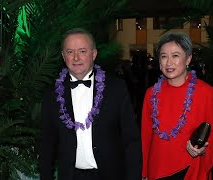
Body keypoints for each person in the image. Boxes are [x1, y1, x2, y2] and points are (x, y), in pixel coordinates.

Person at [39, 28, 142, 180]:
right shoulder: (51, 94)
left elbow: (131, 140)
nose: (76, 58)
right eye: (70, 52)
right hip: (70, 176)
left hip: (110, 175)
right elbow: (47, 144)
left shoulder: (115, 88)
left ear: (94, 54)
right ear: (63, 56)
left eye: (82, 51)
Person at [141, 32, 213, 180]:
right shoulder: (151, 94)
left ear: (188, 59)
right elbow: (146, 137)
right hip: (157, 169)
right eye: (164, 56)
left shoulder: (205, 92)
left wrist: (202, 150)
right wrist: (144, 172)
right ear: (159, 62)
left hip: (191, 168)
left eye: (175, 55)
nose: (169, 62)